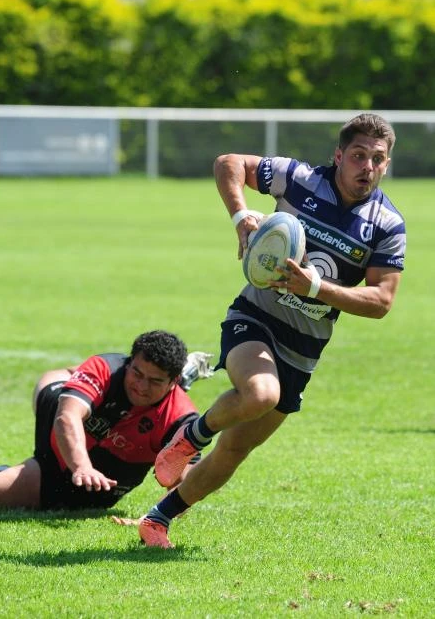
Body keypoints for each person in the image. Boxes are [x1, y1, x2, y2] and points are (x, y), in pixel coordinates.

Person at [133, 113, 406, 548]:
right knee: (261, 394)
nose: (367, 167)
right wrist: (240, 215)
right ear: (339, 156)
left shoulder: (387, 225)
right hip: (255, 317)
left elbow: (381, 301)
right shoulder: (298, 178)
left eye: (377, 159)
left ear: (386, 164)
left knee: (235, 452)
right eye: (358, 156)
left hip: (304, 348)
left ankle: (157, 519)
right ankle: (190, 436)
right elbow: (229, 163)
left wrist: (314, 286)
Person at [0, 330, 213, 510]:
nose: (140, 385)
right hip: (61, 434)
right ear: (129, 362)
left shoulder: (182, 416)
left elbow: (190, 477)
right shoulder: (107, 366)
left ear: (171, 381)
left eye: (154, 380)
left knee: (87, 503)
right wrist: (81, 466)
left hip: (115, 461)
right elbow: (67, 418)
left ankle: (176, 384)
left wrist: (158, 518)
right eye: (137, 373)